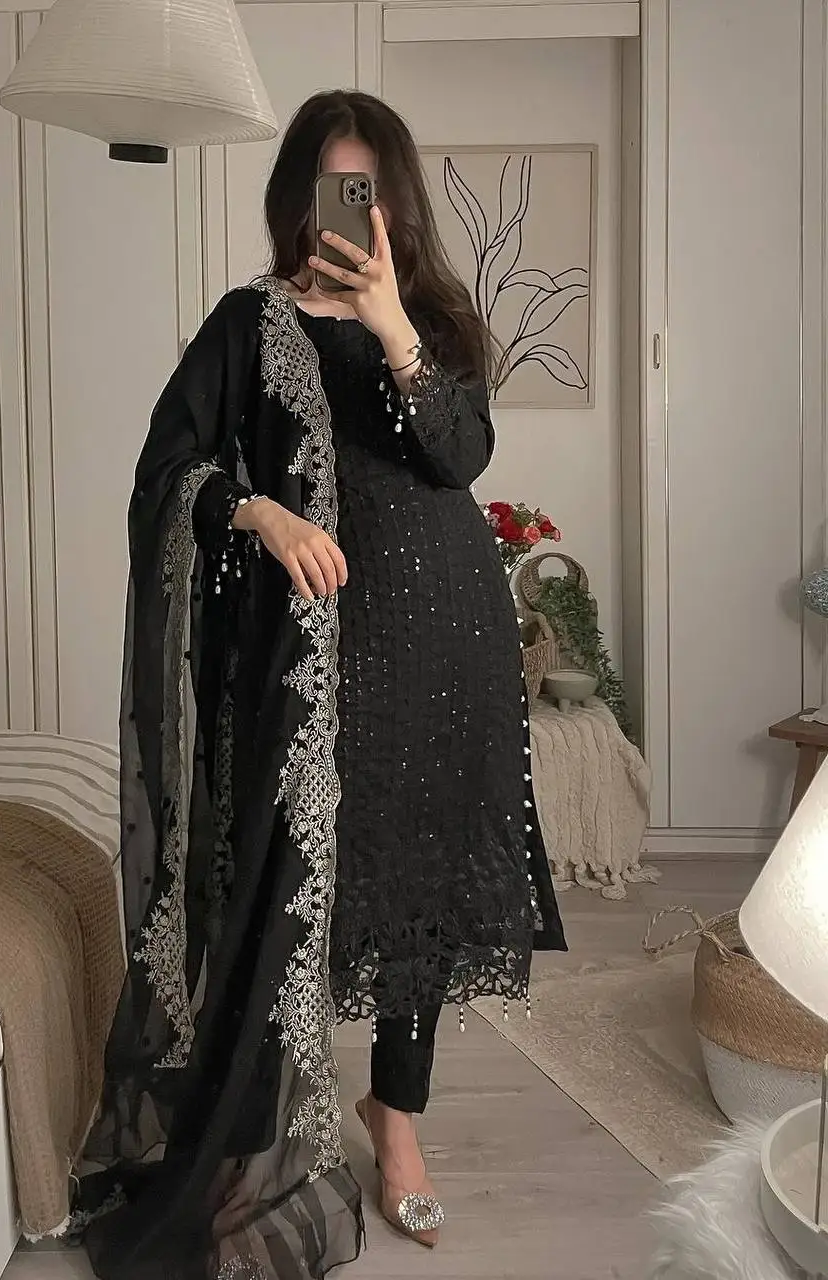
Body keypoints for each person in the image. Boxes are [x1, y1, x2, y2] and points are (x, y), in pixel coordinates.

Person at [77, 89, 566, 1280]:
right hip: (309, 659)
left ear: (395, 200)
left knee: (418, 890)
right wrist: (257, 510)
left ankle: (396, 1120)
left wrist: (393, 322)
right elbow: (166, 464)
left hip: (446, 648)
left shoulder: (434, 321)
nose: (349, 209)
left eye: (369, 188)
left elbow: (459, 454)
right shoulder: (247, 322)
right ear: (294, 194)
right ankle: (254, 1129)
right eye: (330, 186)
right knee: (280, 889)